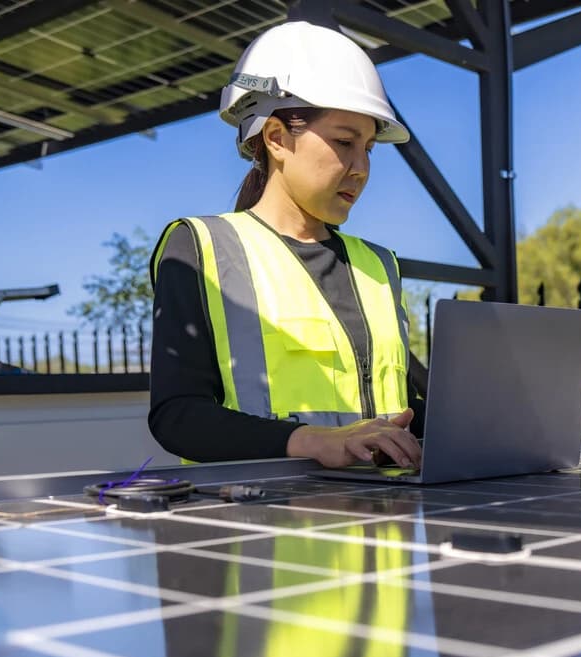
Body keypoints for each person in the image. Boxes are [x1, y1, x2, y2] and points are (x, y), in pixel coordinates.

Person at [147, 21, 425, 469]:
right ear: (276, 138)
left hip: (381, 521)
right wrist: (315, 441)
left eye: (370, 148)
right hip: (260, 524)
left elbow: (406, 409)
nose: (360, 168)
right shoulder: (201, 247)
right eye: (343, 142)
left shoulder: (379, 265)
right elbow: (178, 418)